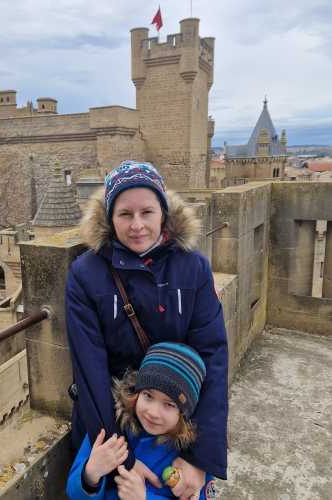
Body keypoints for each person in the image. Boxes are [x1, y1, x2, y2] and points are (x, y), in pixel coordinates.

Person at [65, 161, 228, 499]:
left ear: (163, 214)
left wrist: (198, 458)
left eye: (147, 212)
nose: (137, 225)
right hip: (115, 420)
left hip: (175, 420)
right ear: (110, 218)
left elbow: (212, 357)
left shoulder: (193, 267)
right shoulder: (85, 274)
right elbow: (90, 370)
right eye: (125, 214)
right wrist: (124, 457)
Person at [66, 342, 217, 500]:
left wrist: (144, 498)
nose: (152, 412)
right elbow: (74, 494)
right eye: (148, 395)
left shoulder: (193, 455)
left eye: (169, 404)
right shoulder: (109, 426)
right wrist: (90, 474)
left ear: (184, 413)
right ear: (137, 392)